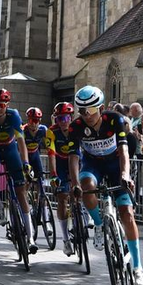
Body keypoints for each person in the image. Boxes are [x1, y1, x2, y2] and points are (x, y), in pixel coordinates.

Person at [71, 85, 143, 285]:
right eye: (81, 110)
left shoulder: (114, 119)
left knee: (127, 214)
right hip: (92, 164)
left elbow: (123, 149)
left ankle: (138, 268)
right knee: (86, 185)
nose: (86, 115)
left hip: (115, 165)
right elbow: (73, 157)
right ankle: (98, 224)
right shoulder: (76, 126)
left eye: (91, 110)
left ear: (101, 107)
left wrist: (125, 174)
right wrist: (74, 183)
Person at [0, 87, 37, 253]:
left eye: (1, 105)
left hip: (11, 149)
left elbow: (21, 141)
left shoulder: (14, 116)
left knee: (21, 192)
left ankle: (31, 237)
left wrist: (26, 163)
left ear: (7, 105)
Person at [49, 101, 78, 254]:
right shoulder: (52, 132)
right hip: (60, 164)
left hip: (76, 162)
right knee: (62, 198)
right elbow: (51, 154)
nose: (62, 122)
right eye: (59, 119)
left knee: (81, 190)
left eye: (65, 118)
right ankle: (66, 240)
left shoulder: (77, 129)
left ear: (71, 117)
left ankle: (83, 219)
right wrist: (54, 174)